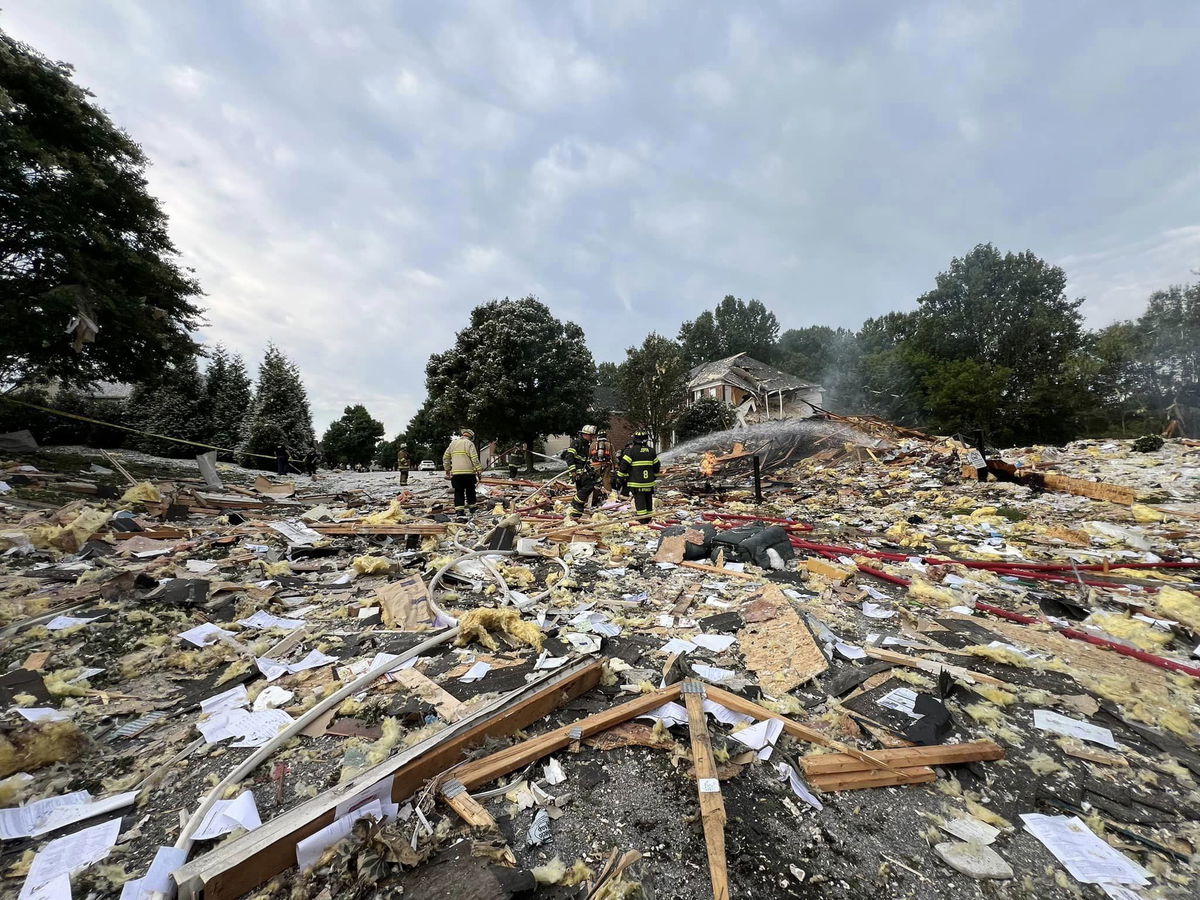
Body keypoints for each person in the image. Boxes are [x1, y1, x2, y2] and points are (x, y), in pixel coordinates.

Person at [617, 429, 660, 523]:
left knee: (640, 502)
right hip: (649, 483)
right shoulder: (651, 451)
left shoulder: (631, 452)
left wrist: (620, 478)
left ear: (635, 439)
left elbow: (623, 466)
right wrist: (654, 476)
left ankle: (642, 521)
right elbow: (657, 466)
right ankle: (648, 519)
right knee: (648, 500)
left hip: (636, 483)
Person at [443, 428, 482, 516]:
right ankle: (472, 509)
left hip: (456, 474)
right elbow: (474, 458)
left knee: (458, 492)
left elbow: (445, 457)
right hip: (468, 473)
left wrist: (447, 470)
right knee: (470, 491)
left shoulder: (452, 443)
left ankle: (459, 511)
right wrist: (479, 469)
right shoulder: (469, 443)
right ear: (471, 437)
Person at [563, 425, 598, 518]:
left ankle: (576, 514)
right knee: (589, 486)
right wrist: (573, 472)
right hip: (576, 472)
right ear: (585, 434)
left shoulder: (586, 445)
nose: (592, 437)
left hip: (582, 471)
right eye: (591, 435)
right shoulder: (576, 443)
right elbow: (569, 457)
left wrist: (591, 469)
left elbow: (584, 460)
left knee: (581, 491)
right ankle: (575, 502)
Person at [591, 429, 614, 493]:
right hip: (606, 465)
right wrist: (615, 465)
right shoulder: (609, 444)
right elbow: (613, 457)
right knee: (606, 480)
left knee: (595, 480)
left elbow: (589, 455)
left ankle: (594, 494)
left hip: (595, 465)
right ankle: (609, 495)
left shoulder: (593, 444)